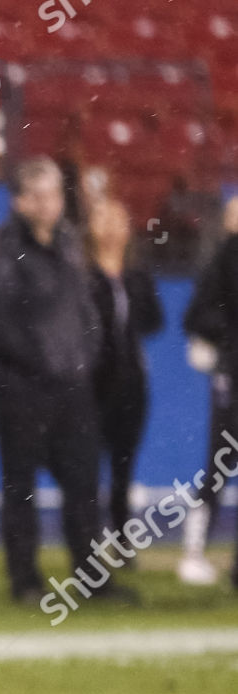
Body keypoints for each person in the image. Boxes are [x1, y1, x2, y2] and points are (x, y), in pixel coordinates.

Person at [0, 156, 128, 605]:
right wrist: (43, 368)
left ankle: (92, 579)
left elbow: (86, 313)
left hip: (69, 386)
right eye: (37, 194)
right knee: (20, 487)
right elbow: (0, 322)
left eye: (55, 193)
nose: (48, 204)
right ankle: (25, 581)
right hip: (20, 384)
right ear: (19, 200)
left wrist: (81, 361)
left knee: (83, 485)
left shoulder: (69, 245)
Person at [85, 196, 162, 532]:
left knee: (123, 464)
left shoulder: (136, 275)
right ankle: (85, 537)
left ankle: (119, 535)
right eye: (103, 218)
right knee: (87, 464)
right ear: (90, 227)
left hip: (131, 383)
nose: (112, 227)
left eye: (118, 219)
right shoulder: (82, 275)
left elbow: (154, 321)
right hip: (92, 383)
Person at [179, 197, 238, 588]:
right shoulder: (224, 258)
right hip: (233, 373)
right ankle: (194, 552)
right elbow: (198, 315)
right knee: (220, 462)